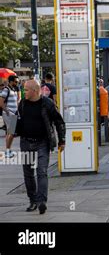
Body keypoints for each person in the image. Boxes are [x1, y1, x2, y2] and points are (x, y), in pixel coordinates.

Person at [15, 80, 65, 215]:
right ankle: (33, 200)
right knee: (28, 174)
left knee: (42, 171)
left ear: (35, 91)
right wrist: (12, 129)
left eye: (26, 89)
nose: (23, 92)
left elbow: (59, 122)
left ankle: (42, 201)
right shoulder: (23, 103)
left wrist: (62, 140)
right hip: (26, 142)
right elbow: (18, 121)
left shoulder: (47, 104)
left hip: (42, 143)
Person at [0, 75, 20, 159]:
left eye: (17, 82)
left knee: (9, 133)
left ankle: (9, 150)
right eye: (15, 82)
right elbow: (1, 102)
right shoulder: (6, 89)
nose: (17, 83)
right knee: (11, 133)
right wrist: (7, 111)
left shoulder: (14, 89)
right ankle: (8, 151)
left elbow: (17, 100)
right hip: (9, 114)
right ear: (11, 81)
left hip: (14, 113)